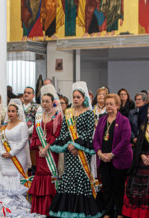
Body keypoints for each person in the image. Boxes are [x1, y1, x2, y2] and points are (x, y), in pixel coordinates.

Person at [49, 81, 103, 217]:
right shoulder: (68, 112)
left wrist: (77, 146)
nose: (76, 99)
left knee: (81, 178)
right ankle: (68, 211)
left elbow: (88, 132)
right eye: (74, 97)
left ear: (84, 98)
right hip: (69, 151)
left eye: (78, 97)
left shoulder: (89, 113)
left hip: (83, 152)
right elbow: (64, 131)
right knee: (68, 178)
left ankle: (82, 211)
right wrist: (69, 145)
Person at [93, 93, 133, 218]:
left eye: (112, 104)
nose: (109, 106)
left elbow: (125, 140)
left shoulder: (124, 120)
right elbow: (96, 140)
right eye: (107, 104)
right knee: (107, 187)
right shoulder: (102, 120)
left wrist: (112, 154)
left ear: (117, 106)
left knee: (118, 188)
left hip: (119, 160)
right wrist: (99, 153)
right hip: (103, 159)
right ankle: (108, 212)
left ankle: (119, 212)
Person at [29, 85, 63, 216]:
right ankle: (39, 208)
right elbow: (35, 134)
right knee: (40, 174)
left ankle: (51, 208)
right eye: (42, 101)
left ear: (52, 102)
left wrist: (46, 148)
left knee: (50, 176)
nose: (44, 103)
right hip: (40, 152)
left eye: (47, 101)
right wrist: (40, 148)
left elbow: (57, 134)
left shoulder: (57, 115)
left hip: (51, 151)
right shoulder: (38, 116)